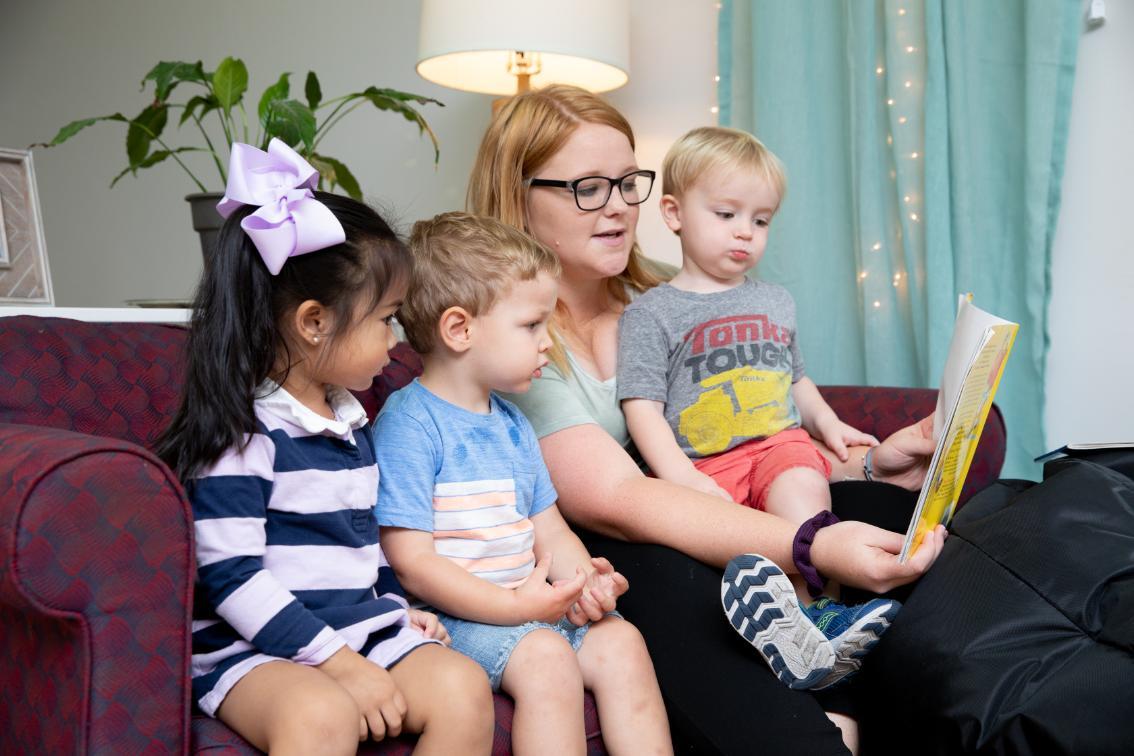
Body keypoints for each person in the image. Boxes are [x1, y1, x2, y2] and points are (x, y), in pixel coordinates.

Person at [466, 84, 947, 755]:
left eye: (629, 182)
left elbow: (758, 429)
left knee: (892, 513)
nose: (618, 207)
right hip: (635, 543)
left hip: (729, 499)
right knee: (676, 578)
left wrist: (865, 461)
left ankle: (864, 703)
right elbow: (617, 500)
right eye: (587, 188)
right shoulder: (515, 339)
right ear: (518, 196)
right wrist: (811, 545)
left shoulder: (673, 290)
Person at [154, 140, 493, 755]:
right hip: (255, 646)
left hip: (353, 630)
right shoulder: (244, 433)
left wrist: (395, 605)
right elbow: (230, 577)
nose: (397, 342)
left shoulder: (350, 420)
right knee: (322, 717)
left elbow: (361, 541)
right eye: (386, 318)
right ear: (314, 322)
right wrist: (338, 664)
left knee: (462, 687)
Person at [374, 212, 671, 756]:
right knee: (546, 657)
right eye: (532, 325)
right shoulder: (410, 423)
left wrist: (583, 584)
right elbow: (411, 561)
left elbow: (550, 531)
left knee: (622, 640)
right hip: (453, 621)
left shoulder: (512, 423)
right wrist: (517, 610)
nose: (547, 342)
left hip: (528, 608)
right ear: (459, 329)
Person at [617, 126, 901, 691]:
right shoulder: (652, 313)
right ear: (673, 213)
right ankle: (784, 628)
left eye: (761, 220)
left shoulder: (775, 300)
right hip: (705, 464)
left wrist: (830, 425)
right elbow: (641, 406)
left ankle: (820, 616)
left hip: (777, 443)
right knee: (751, 551)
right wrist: (678, 478)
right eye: (726, 214)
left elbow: (795, 379)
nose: (745, 232)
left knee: (803, 486)